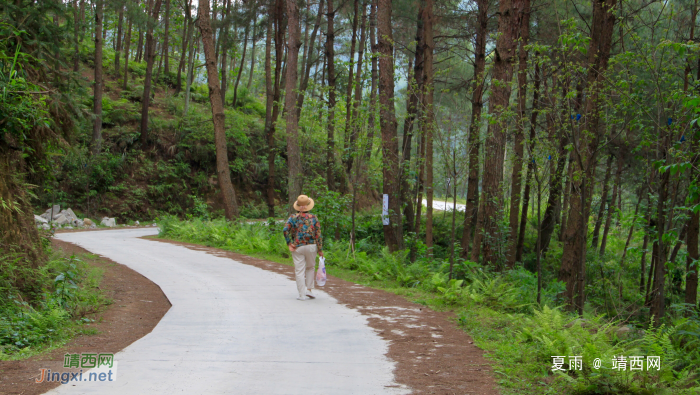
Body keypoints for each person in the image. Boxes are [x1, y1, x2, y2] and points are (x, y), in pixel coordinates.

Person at [283, 195, 324, 300]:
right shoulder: (314, 218)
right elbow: (318, 234)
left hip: (298, 247)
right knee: (310, 267)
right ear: (308, 206)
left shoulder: (293, 218)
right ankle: (309, 290)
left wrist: (289, 243)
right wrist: (320, 250)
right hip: (311, 246)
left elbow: (285, 230)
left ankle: (301, 294)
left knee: (299, 270)